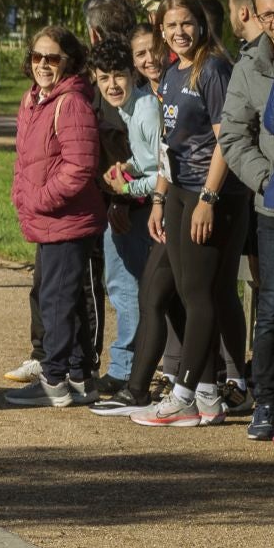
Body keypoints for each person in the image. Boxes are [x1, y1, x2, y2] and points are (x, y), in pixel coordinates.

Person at [130, 0, 246, 427]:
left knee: (200, 295)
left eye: (187, 23)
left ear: (201, 24)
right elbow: (168, 143)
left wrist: (208, 199)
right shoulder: (174, 72)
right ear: (161, 29)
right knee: (191, 291)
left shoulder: (213, 69)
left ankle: (183, 395)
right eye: (170, 25)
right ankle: (209, 394)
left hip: (210, 193)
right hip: (178, 190)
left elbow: (226, 141)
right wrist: (160, 198)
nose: (179, 32)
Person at [4, 27, 107, 407]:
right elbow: (26, 160)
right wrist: (22, 196)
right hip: (47, 218)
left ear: (70, 61)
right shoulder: (34, 100)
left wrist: (42, 199)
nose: (43, 65)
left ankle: (55, 379)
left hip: (67, 218)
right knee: (62, 297)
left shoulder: (72, 102)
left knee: (57, 300)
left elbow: (79, 167)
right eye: (37, 57)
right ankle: (80, 377)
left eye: (52, 58)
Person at [233, 0, 274, 441]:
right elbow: (234, 136)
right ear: (257, 17)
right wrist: (268, 181)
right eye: (269, 13)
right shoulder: (249, 67)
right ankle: (267, 401)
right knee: (271, 306)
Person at [92, 37, 162, 395]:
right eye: (104, 78)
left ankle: (131, 369)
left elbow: (165, 169)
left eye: (119, 75)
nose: (112, 85)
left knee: (136, 286)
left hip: (159, 207)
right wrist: (125, 168)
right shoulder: (128, 108)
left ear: (133, 74)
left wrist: (126, 191)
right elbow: (146, 160)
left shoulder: (146, 110)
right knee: (122, 282)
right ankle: (128, 366)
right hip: (142, 200)